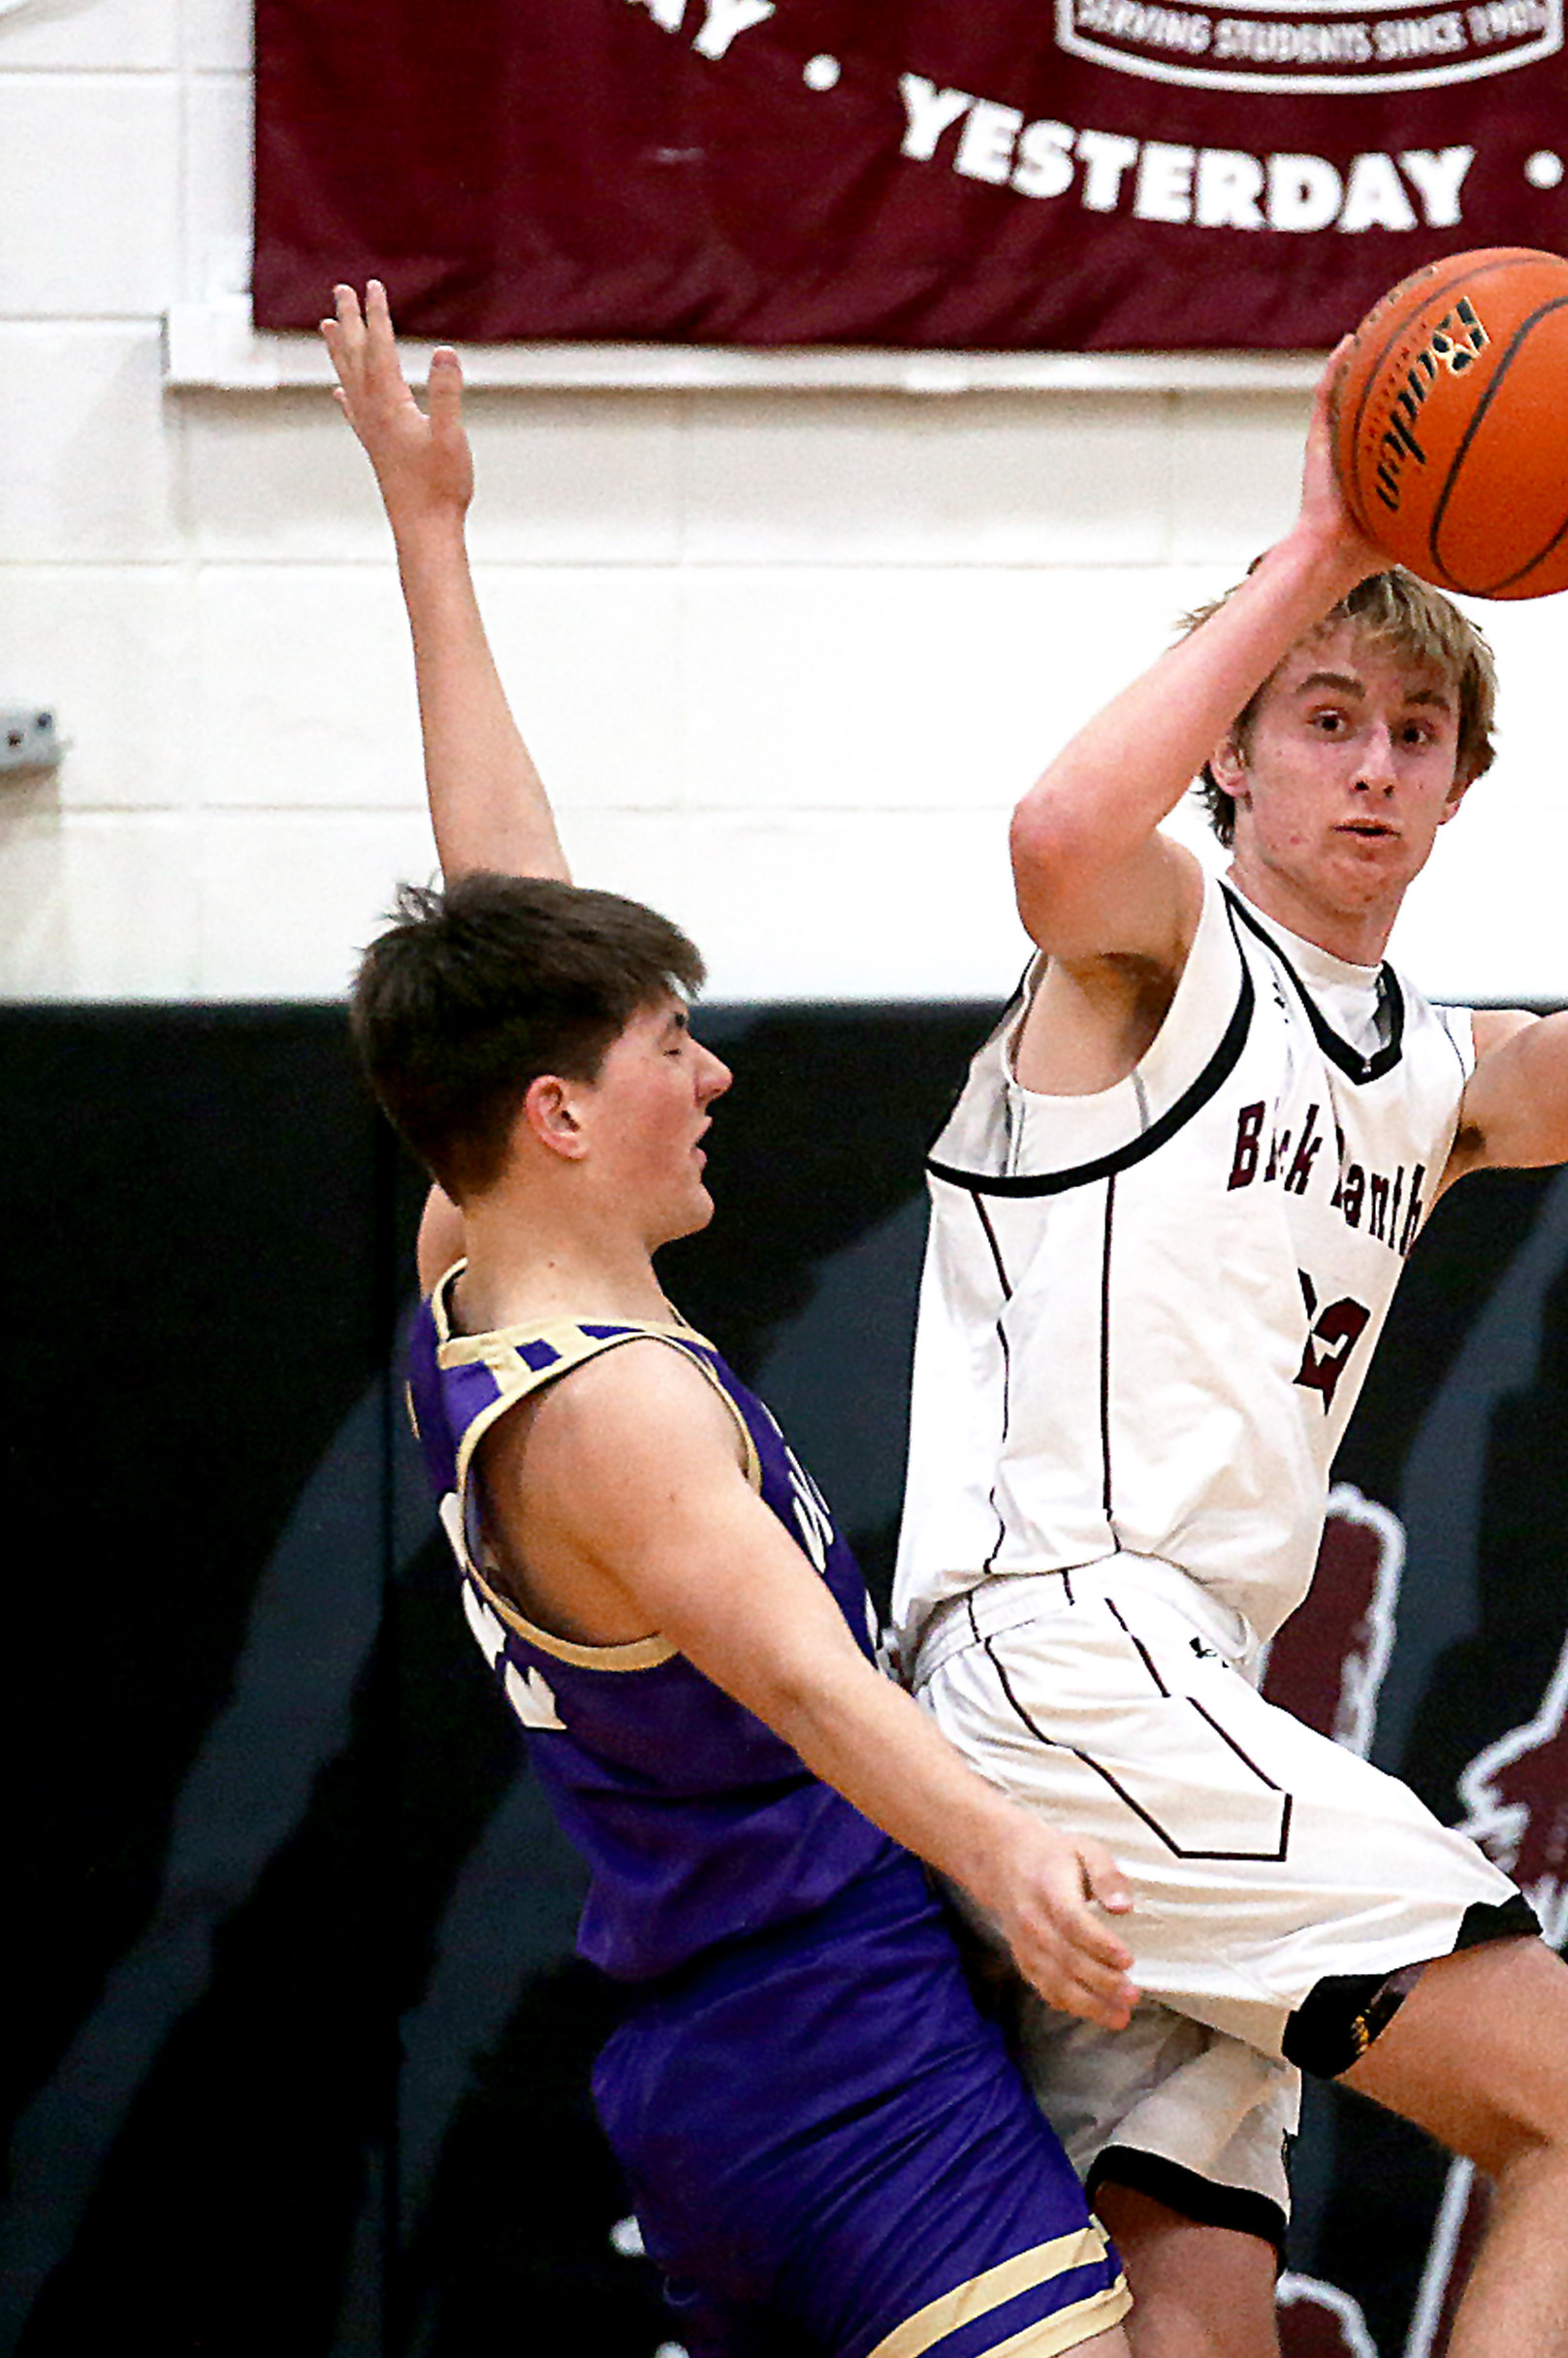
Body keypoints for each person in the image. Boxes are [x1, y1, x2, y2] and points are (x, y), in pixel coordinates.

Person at [888, 352, 1568, 2358]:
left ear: (1459, 785)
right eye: (1325, 721)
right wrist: (1321, 550)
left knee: (1190, 2308)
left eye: (1416, 731)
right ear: (1240, 765)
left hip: (1180, 1690)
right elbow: (1050, 828)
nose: (1371, 765)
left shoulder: (1431, 1060)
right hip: (1061, 1659)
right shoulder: (1152, 954)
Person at [329, 282, 1140, 2358]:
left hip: (725, 2058)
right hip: (831, 2035)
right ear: (561, 1112)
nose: (711, 1078)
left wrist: (429, 537)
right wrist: (1010, 1855)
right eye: (672, 1043)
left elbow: (502, 902)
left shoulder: (466, 1261)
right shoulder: (617, 1421)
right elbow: (800, 1681)